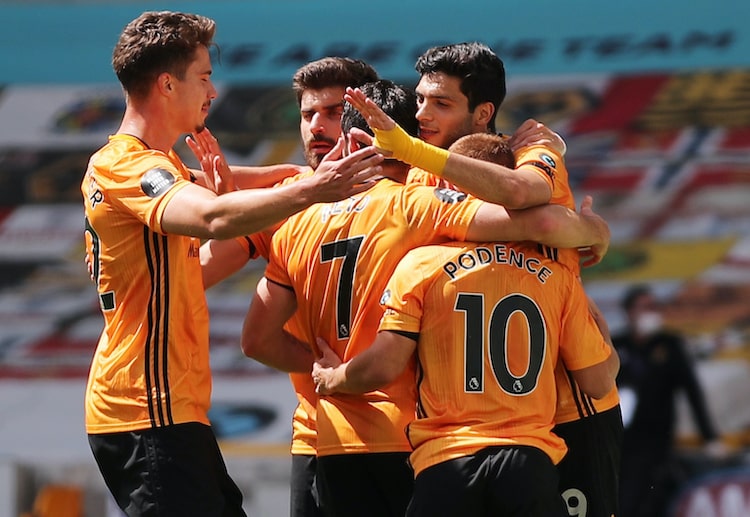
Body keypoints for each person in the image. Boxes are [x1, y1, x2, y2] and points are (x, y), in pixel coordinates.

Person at [241, 78, 610, 517]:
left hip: (332, 438)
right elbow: (535, 223)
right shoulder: (419, 206)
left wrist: (328, 370)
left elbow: (257, 341)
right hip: (414, 439)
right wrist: (593, 230)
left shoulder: (296, 223)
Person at [80, 12, 383, 516]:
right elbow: (214, 216)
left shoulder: (160, 165)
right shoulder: (130, 166)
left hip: (166, 410)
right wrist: (315, 188)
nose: (213, 91)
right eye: (203, 76)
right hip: (145, 407)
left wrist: (303, 177)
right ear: (167, 83)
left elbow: (244, 188)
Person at [346, 42, 624, 515]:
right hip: (474, 427)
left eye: (441, 103)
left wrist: (592, 227)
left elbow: (528, 197)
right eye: (420, 100)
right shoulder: (418, 176)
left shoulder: (529, 151)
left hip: (569, 408)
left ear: (483, 113)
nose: (423, 114)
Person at [310, 237, 619, 517]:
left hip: (447, 463)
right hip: (527, 463)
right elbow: (598, 383)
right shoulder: (557, 276)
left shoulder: (421, 263)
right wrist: (607, 343)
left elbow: (383, 366)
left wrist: (333, 378)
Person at [197, 56, 379, 517]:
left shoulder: (415, 194)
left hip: (403, 434)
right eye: (307, 114)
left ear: (366, 114)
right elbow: (196, 275)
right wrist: (324, 370)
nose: (317, 126)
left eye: (334, 112)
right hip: (319, 434)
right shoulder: (290, 199)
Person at [613, 284, 724, 517]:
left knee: (648, 499)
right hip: (619, 441)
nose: (651, 312)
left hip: (656, 441)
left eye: (654, 307)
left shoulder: (670, 346)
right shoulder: (617, 345)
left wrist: (710, 437)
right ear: (629, 311)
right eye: (645, 307)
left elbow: (692, 392)